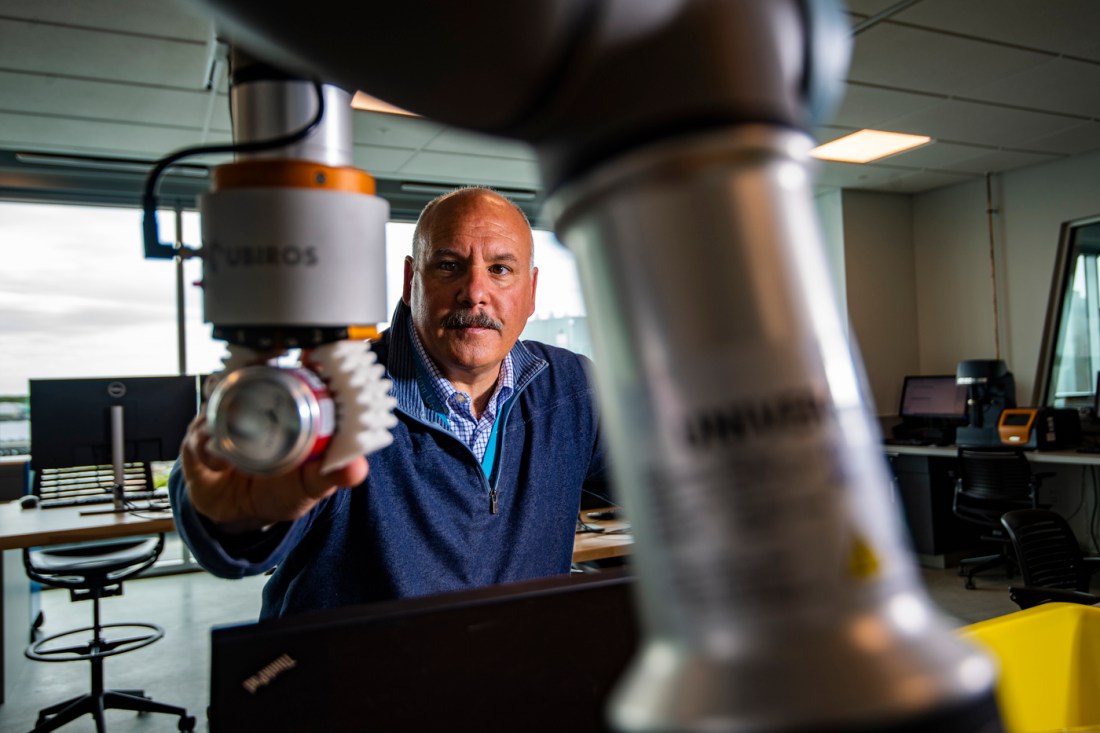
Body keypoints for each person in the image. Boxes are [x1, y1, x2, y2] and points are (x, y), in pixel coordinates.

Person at [169, 187, 608, 619]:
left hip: (509, 681)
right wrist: (236, 521)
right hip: (345, 683)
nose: (475, 291)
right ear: (409, 281)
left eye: (500, 269)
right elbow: (237, 526)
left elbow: (663, 482)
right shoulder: (336, 392)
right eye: (449, 266)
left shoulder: (573, 388)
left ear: (530, 291)